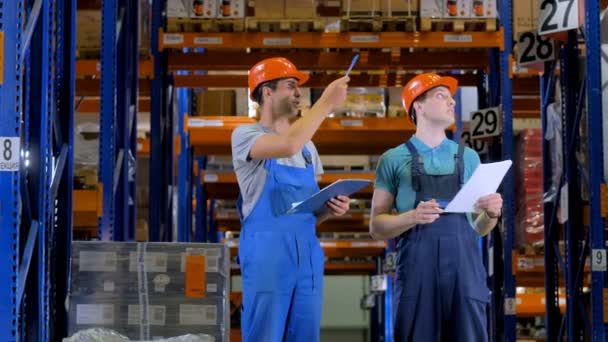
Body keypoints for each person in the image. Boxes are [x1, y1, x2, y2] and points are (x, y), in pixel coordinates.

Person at [369, 73, 503, 341]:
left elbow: (480, 228)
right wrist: (412, 216)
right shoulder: (393, 159)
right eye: (442, 96)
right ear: (418, 106)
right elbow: (376, 226)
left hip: (464, 269)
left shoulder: (469, 157)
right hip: (418, 270)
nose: (451, 102)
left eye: (451, 97)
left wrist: (491, 213)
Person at [231, 57, 351, 342]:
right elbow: (286, 145)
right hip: (268, 255)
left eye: (299, 88)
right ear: (266, 91)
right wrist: (326, 103)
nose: (299, 94)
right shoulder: (246, 136)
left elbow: (305, 213)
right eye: (290, 86)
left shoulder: (308, 148)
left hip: (307, 254)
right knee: (265, 336)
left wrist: (328, 210)